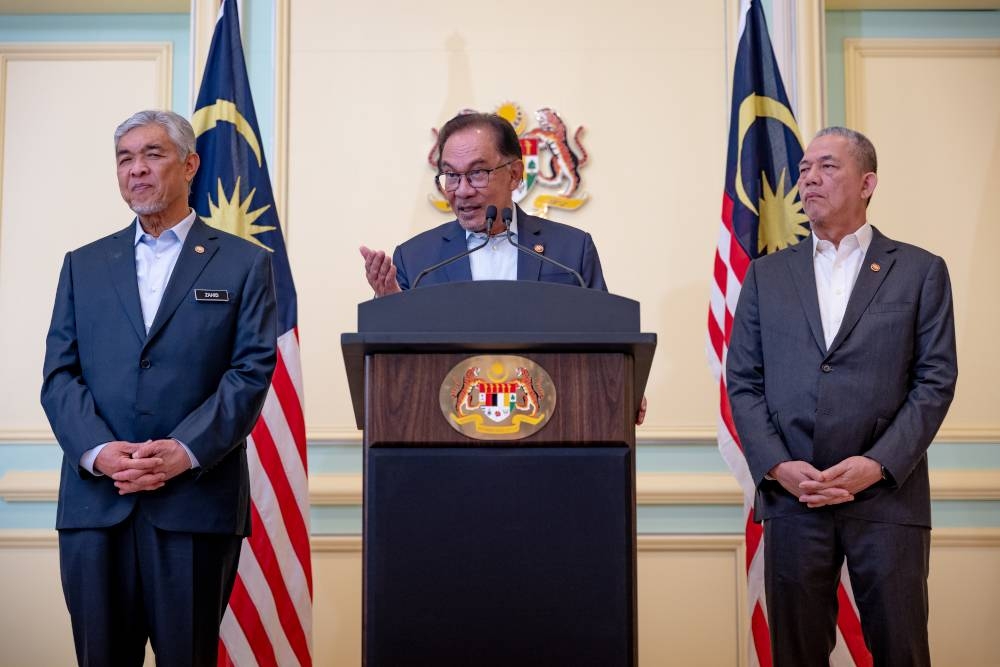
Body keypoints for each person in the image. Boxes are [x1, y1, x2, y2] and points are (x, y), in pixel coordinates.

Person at [40, 109, 277, 666]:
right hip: (97, 504)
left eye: (153, 154)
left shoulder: (244, 264)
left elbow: (249, 372)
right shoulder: (83, 264)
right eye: (125, 159)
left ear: (190, 164)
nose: (137, 170)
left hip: (194, 505)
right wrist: (100, 453)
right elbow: (59, 375)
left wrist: (183, 451)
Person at [726, 126, 957, 666]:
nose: (809, 178)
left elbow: (935, 379)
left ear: (867, 181)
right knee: (797, 654)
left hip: (886, 498)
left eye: (827, 166)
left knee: (901, 649)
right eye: (805, 169)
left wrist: (877, 464)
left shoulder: (920, 271)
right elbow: (743, 381)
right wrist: (778, 466)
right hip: (794, 498)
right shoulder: (766, 276)